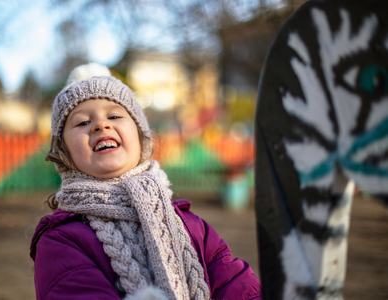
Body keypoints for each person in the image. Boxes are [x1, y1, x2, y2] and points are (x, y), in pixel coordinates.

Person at [30, 63, 261, 300]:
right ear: (64, 154)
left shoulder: (191, 226)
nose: (101, 124)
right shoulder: (60, 241)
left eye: (114, 115)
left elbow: (235, 283)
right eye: (82, 122)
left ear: (142, 138)